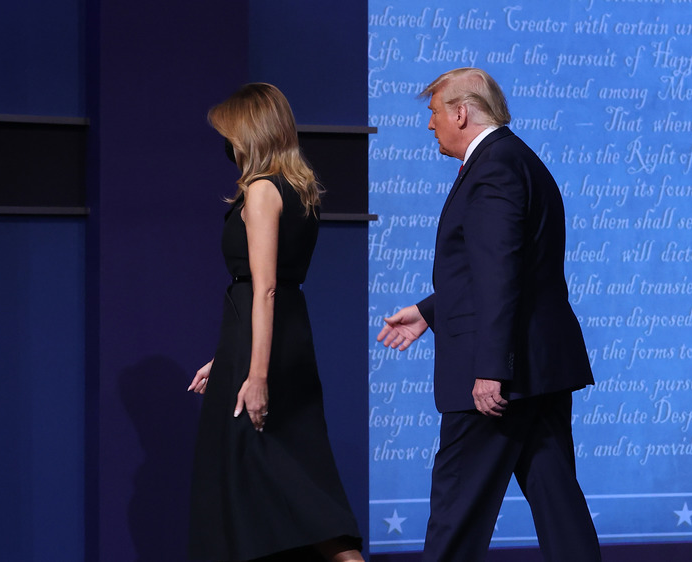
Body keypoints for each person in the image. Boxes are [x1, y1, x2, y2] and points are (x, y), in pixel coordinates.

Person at [377, 68, 602, 562]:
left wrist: (490, 369)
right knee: (559, 505)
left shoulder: (494, 167)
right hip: (537, 370)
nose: (431, 124)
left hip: (500, 374)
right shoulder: (515, 159)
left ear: (461, 112)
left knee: (457, 507)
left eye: (435, 112)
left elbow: (500, 271)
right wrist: (429, 311)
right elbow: (507, 267)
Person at [187, 83, 363, 562]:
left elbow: (264, 287)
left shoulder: (263, 190)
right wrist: (225, 358)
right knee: (289, 484)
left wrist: (255, 375)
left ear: (248, 133)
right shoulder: (300, 188)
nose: (227, 144)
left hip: (262, 351)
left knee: (284, 483)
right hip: (277, 338)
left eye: (230, 133)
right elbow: (273, 291)